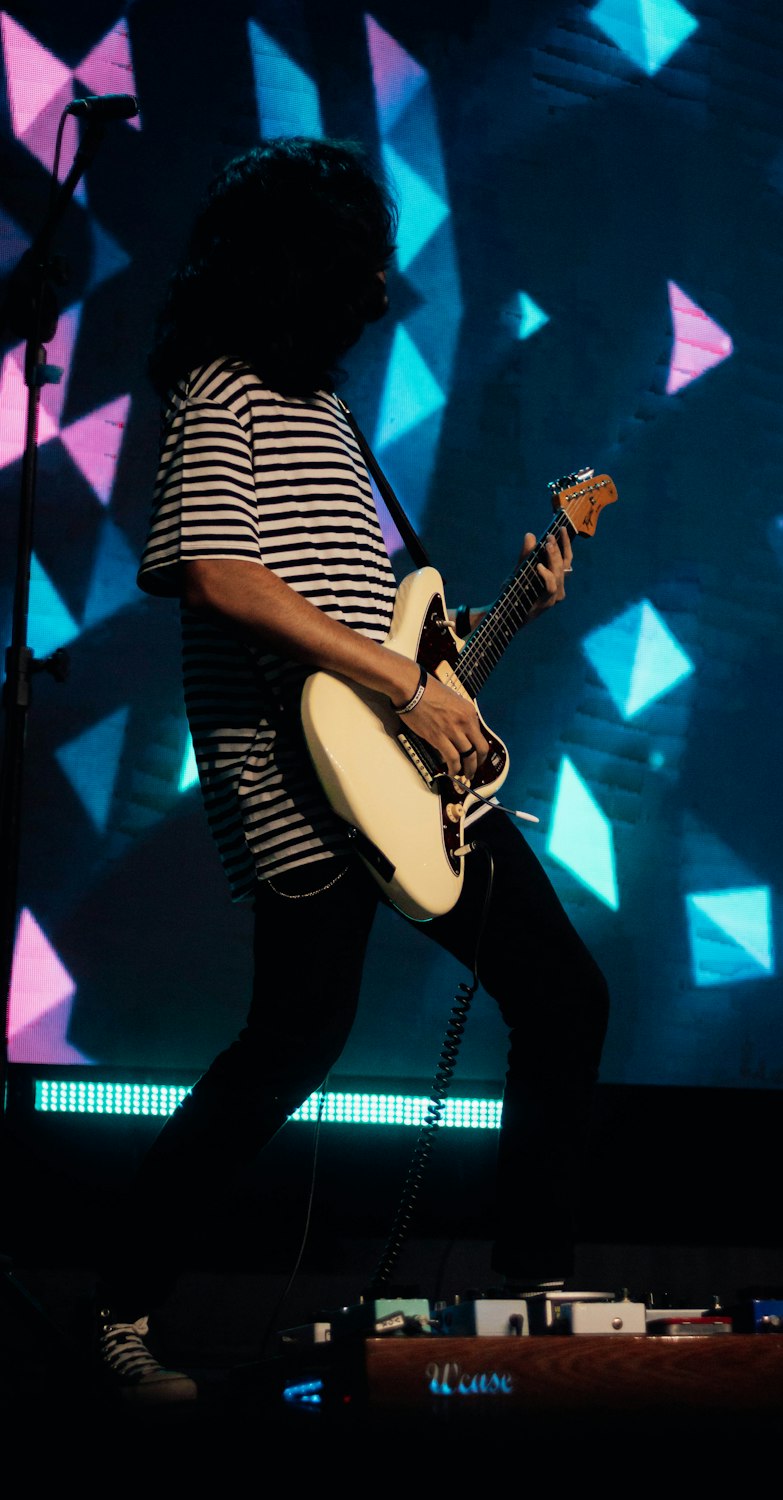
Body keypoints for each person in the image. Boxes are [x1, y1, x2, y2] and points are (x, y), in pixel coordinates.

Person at [94, 136, 609, 1402]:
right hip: (293, 781)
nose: (380, 292)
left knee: (562, 998)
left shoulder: (327, 412)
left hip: (400, 776)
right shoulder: (219, 390)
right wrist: (398, 685)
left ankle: (534, 1292)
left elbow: (395, 620)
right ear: (293, 268)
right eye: (359, 267)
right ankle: (119, 1309)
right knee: (293, 1039)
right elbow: (214, 572)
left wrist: (505, 617)